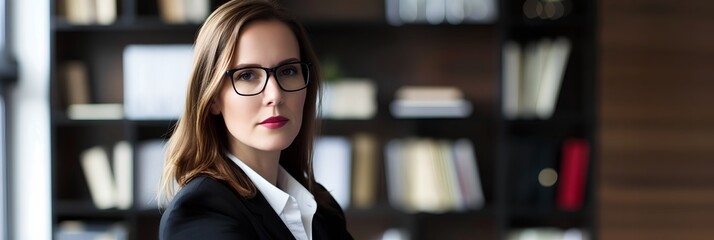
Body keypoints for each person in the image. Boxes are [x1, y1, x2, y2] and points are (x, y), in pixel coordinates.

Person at [157, 0, 353, 239]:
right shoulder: (200, 210)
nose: (275, 95)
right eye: (247, 75)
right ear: (213, 99)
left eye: (288, 71)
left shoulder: (322, 207)